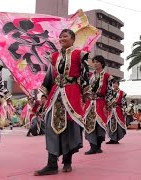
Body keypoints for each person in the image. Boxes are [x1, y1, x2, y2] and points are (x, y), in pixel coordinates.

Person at [34, 29, 89, 176]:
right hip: (55, 94)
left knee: (70, 128)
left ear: (73, 39)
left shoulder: (80, 55)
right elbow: (49, 76)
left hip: (72, 94)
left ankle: (67, 160)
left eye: (65, 36)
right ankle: (52, 164)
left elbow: (85, 75)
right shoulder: (55, 56)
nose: (61, 38)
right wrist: (44, 94)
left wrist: (86, 94)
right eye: (60, 36)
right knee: (51, 126)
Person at [83, 55, 113, 154]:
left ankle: (98, 146)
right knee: (90, 123)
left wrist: (108, 105)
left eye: (97, 62)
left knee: (100, 125)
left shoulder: (108, 76)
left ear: (102, 63)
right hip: (90, 103)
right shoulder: (90, 75)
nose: (95, 64)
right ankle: (93, 146)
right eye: (94, 62)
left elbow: (110, 92)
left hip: (101, 103)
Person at [106, 80, 127, 144]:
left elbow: (124, 103)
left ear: (118, 84)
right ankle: (112, 138)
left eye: (116, 83)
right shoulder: (110, 92)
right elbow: (107, 100)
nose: (114, 85)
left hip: (118, 110)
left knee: (118, 125)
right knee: (110, 124)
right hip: (111, 110)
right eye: (113, 83)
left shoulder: (122, 93)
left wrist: (124, 110)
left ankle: (116, 138)